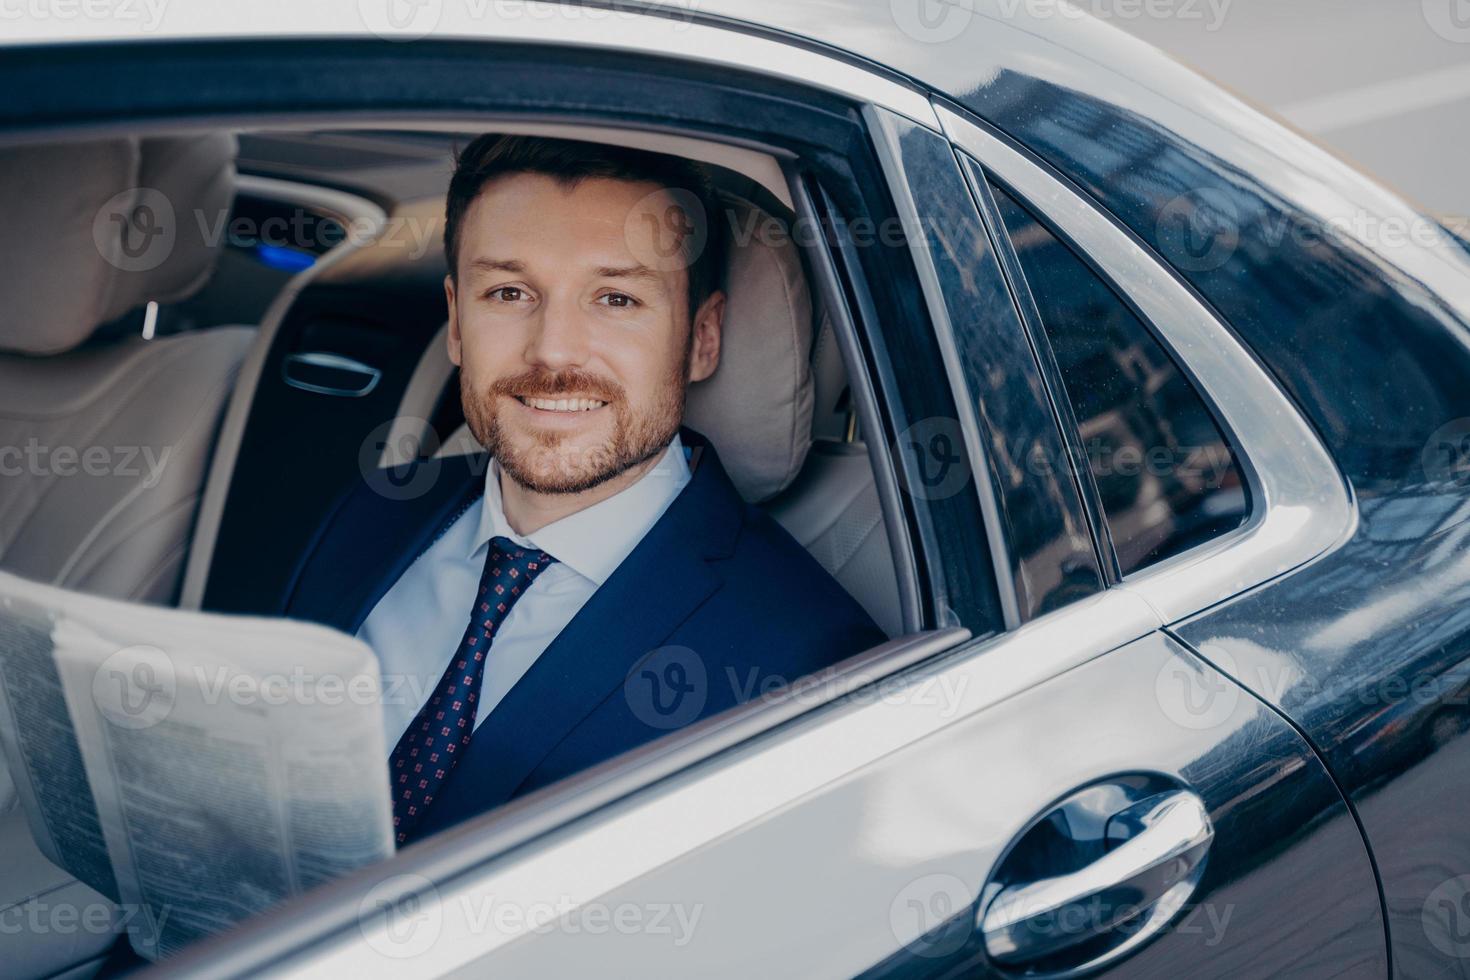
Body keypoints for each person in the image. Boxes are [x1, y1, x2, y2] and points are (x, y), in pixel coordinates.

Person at [280, 135, 886, 846]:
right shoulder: (370, 512)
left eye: (616, 298)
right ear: (456, 320)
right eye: (508, 292)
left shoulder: (809, 664)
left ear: (702, 339)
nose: (554, 353)